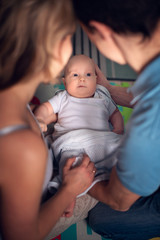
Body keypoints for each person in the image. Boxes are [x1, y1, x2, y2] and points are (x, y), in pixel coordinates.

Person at [0, 1, 96, 240]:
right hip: (35, 215)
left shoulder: (15, 103)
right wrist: (69, 190)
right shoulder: (24, 147)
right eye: (68, 37)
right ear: (54, 49)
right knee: (104, 180)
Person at [72, 0, 160, 239]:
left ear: (102, 33)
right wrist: (107, 90)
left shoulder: (145, 131)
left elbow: (119, 201)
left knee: (101, 217)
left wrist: (78, 183)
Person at [34, 54, 124, 217]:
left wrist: (118, 129)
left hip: (102, 140)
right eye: (75, 75)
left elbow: (115, 114)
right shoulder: (63, 97)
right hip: (73, 142)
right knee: (69, 163)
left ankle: (122, 180)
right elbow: (46, 109)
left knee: (123, 151)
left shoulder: (102, 95)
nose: (82, 79)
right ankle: (69, 196)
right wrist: (39, 118)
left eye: (88, 75)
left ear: (96, 79)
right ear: (64, 81)